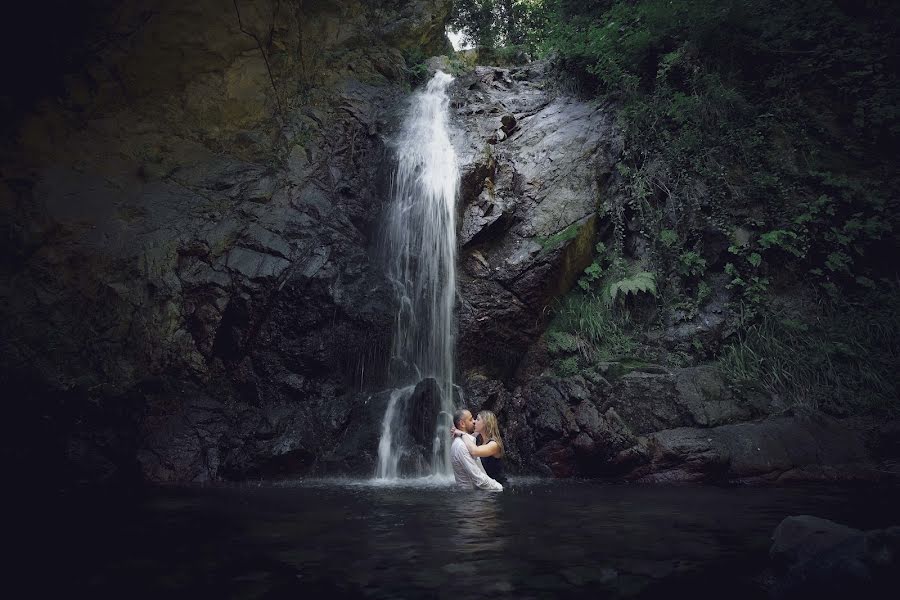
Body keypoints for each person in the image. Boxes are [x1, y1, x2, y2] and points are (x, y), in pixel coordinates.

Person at [449, 409, 503, 492]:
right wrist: (458, 430)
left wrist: (462, 433)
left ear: (486, 424)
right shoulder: (477, 439)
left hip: (497, 487)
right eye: (472, 419)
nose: (474, 421)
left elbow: (474, 451)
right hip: (487, 487)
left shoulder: (494, 445)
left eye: (477, 419)